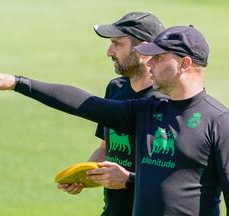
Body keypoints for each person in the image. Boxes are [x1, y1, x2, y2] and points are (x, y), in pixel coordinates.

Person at [0, 25, 229, 215]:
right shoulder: (146, 111)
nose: (148, 64)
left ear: (185, 64)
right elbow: (84, 104)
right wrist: (17, 83)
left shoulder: (222, 123)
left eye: (158, 58)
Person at [56, 12, 164, 216]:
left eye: (117, 44)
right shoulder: (115, 88)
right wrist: (84, 175)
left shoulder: (165, 101)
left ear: (143, 48)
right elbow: (106, 148)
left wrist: (127, 179)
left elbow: (171, 177)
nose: (109, 52)